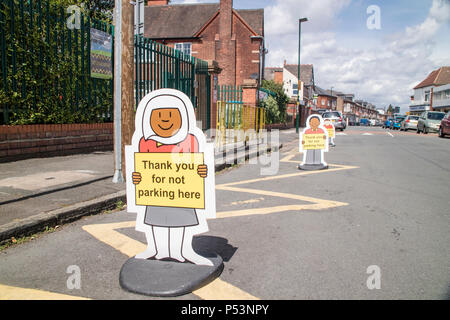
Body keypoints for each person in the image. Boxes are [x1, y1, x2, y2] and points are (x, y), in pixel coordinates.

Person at [130, 90, 213, 266]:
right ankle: (156, 249)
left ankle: (182, 250)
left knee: (181, 219)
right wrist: (136, 177)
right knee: (155, 219)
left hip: (182, 192)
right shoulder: (146, 142)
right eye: (159, 115)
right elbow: (140, 166)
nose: (165, 120)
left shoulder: (190, 140)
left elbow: (197, 164)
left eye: (170, 115)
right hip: (156, 192)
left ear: (182, 117)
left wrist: (202, 171)